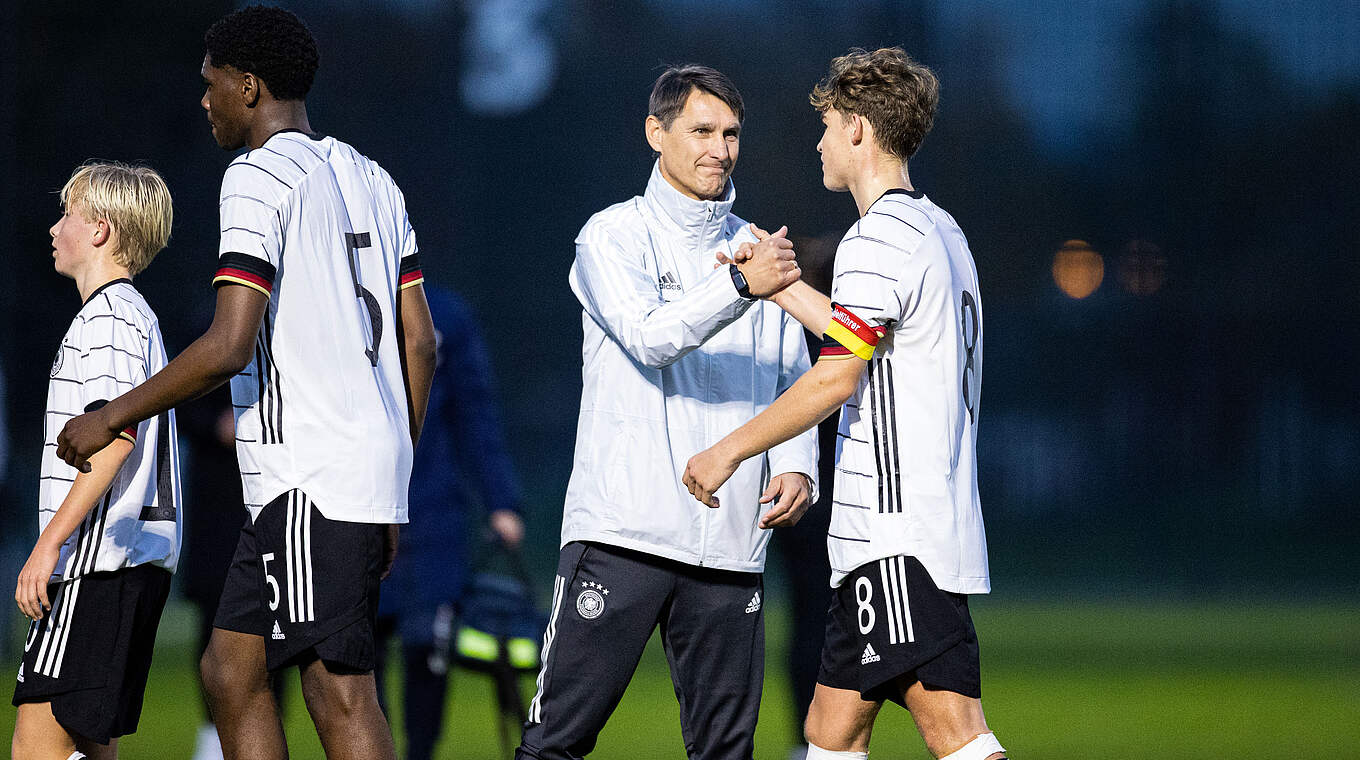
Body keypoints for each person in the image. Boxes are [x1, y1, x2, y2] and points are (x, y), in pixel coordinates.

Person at [54, 7, 438, 760]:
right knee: (229, 670)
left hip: (308, 474)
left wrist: (112, 416)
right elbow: (421, 340)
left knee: (338, 690)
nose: (204, 100)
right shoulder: (373, 177)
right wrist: (391, 475)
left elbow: (230, 344)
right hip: (343, 475)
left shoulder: (258, 176)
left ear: (249, 86)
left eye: (212, 84)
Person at [684, 48, 1009, 760]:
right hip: (907, 534)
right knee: (830, 735)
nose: (821, 141)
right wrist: (779, 283)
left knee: (958, 738)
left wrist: (727, 450)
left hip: (896, 540)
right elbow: (864, 334)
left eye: (828, 124)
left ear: (859, 128)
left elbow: (837, 377)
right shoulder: (936, 229)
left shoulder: (877, 236)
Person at [516, 65, 817, 760]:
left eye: (732, 133)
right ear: (656, 133)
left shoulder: (759, 247)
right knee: (555, 743)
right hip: (624, 531)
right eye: (702, 130)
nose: (720, 148)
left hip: (732, 544)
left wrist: (800, 468)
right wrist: (740, 283)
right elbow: (651, 337)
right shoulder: (611, 235)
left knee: (724, 754)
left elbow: (794, 374)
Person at [12, 162, 180, 760]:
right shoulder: (136, 317)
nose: (55, 228)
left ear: (102, 230)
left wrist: (48, 544)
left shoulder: (108, 318)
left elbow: (114, 438)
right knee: (87, 749)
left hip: (95, 566)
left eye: (68, 215)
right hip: (130, 567)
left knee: (37, 746)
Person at [374, 283, 526, 760]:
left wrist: (502, 501)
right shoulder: (338, 297)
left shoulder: (446, 314)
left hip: (432, 514)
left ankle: (420, 755)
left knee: (428, 652)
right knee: (356, 660)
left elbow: (475, 410)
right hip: (356, 511)